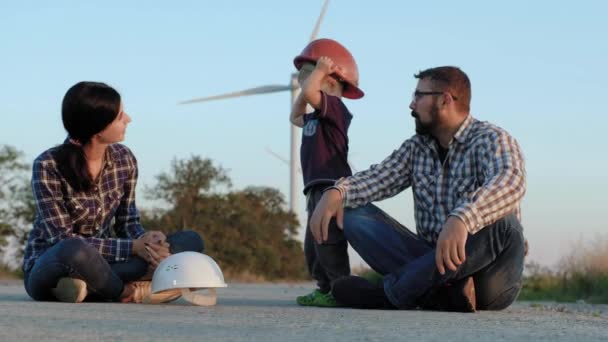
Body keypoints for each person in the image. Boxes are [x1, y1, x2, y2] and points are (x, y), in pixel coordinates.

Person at [310, 66, 527, 312]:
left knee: (505, 224)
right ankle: (443, 294)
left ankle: (389, 294)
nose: (411, 105)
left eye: (418, 96)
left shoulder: (492, 139)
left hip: (489, 278)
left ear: (445, 100)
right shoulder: (416, 148)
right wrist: (337, 192)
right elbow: (379, 177)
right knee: (352, 214)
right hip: (432, 260)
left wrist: (463, 219)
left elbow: (510, 181)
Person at [23, 81, 205, 303]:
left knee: (190, 240)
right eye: (120, 116)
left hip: (106, 263)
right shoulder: (47, 165)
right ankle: (129, 292)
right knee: (75, 250)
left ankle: (86, 288)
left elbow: (127, 223)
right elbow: (61, 239)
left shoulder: (124, 158)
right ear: (98, 128)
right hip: (53, 264)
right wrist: (134, 247)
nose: (128, 119)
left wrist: (148, 241)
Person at [290, 38, 364, 307]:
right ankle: (324, 288)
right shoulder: (314, 117)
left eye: (313, 78)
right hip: (314, 188)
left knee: (328, 241)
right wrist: (307, 83)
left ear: (331, 83)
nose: (305, 83)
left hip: (330, 187)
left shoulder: (336, 109)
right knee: (314, 245)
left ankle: (339, 287)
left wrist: (319, 71)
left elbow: (312, 95)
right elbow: (294, 116)